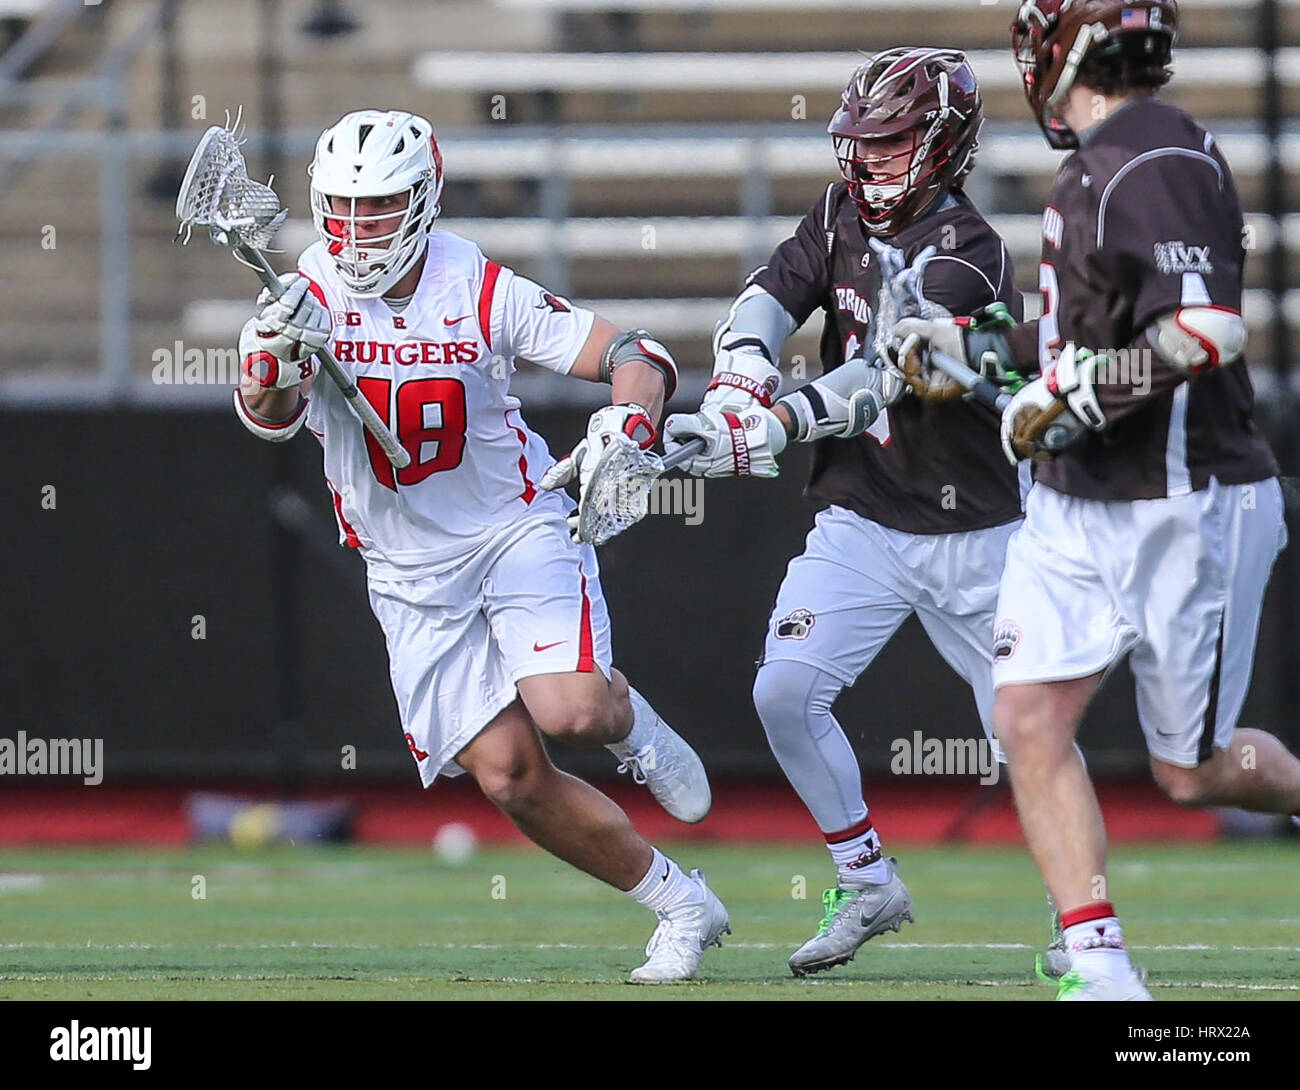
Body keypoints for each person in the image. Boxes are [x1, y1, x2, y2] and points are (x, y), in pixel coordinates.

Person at [234, 109, 727, 983]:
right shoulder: (300, 295)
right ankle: (680, 904)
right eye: (342, 207)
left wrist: (633, 420)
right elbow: (266, 416)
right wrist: (273, 363)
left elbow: (634, 350)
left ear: (424, 201)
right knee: (507, 776)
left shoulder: (475, 284)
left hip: (513, 529)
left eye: (378, 207)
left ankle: (629, 722)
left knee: (571, 712)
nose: (356, 229)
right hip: (407, 573)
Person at [892, 0, 1300, 999]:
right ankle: (1097, 963)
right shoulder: (1102, 160)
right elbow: (1088, 331)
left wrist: (1076, 396)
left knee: (1190, 772)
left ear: (1060, 46)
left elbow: (1204, 329)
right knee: (1026, 715)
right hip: (1078, 503)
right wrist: (980, 347)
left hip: (1180, 502)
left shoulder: (1153, 154)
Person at [664, 48, 1025, 976]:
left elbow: (883, 379)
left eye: (895, 141)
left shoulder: (968, 255)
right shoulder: (836, 215)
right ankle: (867, 880)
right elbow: (768, 295)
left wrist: (776, 419)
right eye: (862, 143)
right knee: (784, 691)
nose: (869, 163)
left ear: (945, 145)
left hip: (976, 530)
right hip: (863, 514)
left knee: (1030, 737)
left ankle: (1084, 921)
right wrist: (743, 371)